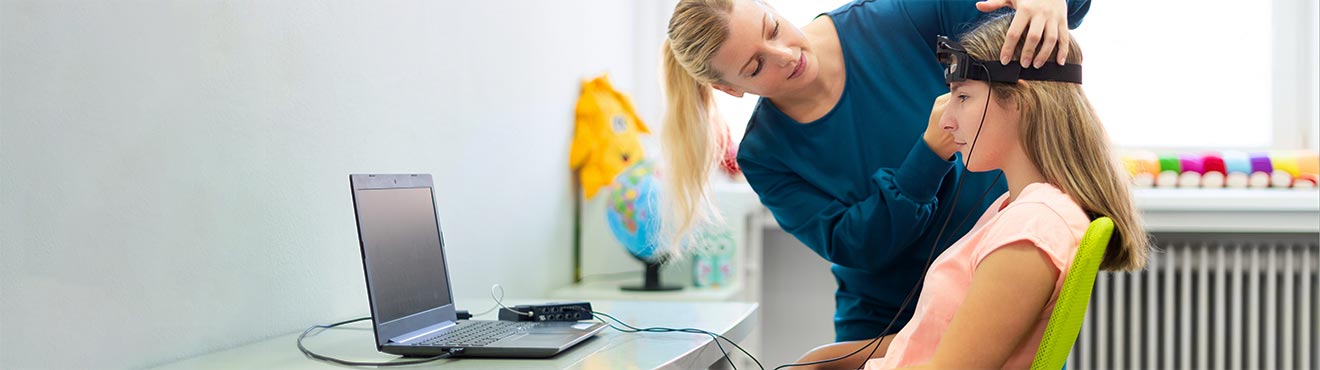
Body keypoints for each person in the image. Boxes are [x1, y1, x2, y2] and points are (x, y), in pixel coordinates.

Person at [658, 0, 1091, 346]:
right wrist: (928, 154)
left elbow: (1039, 20)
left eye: (773, 28)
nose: (786, 55)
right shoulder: (765, 154)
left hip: (993, 282)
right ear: (730, 89)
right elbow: (855, 245)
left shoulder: (900, 17)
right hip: (882, 318)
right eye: (755, 66)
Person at [793, 13, 1151, 369]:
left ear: (1020, 101)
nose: (946, 121)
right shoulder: (1016, 209)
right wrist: (826, 360)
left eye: (962, 96)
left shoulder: (1033, 228)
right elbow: (929, 338)